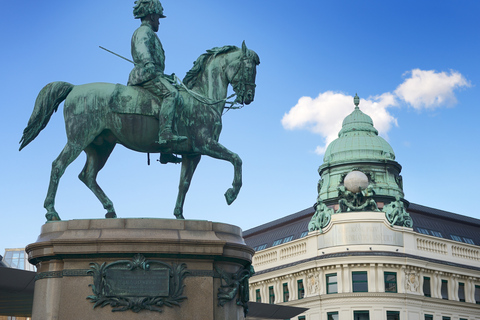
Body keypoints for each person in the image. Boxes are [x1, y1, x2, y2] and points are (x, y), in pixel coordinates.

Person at [128, 0, 186, 164]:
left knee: (176, 93)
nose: (159, 21)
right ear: (152, 16)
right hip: (145, 74)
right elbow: (142, 47)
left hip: (153, 73)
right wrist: (148, 62)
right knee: (171, 94)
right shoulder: (144, 31)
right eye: (158, 18)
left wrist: (165, 76)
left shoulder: (150, 32)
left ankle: (165, 151)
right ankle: (165, 133)